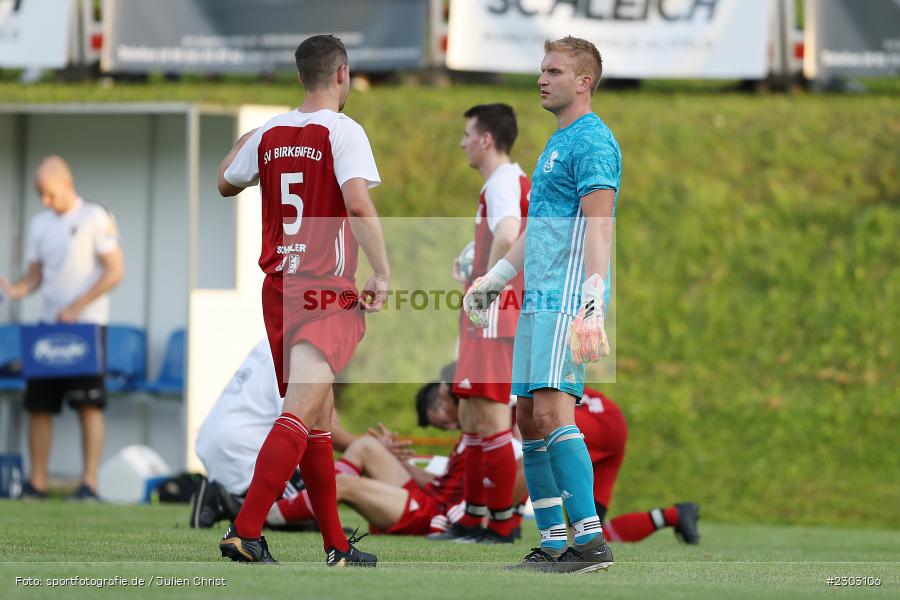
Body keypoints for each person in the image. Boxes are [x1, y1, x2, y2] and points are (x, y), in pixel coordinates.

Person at [215, 34, 389, 567]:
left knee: (318, 418)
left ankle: (335, 544)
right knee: (300, 412)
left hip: (280, 291)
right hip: (324, 287)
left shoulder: (269, 132)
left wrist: (250, 136)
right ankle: (245, 530)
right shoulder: (343, 130)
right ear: (343, 73)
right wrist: (382, 270)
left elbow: (225, 181)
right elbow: (358, 206)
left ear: (299, 77)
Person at [464, 36, 620, 573]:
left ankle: (590, 541)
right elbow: (538, 229)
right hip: (536, 298)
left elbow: (599, 224)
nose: (541, 79)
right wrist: (496, 276)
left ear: (583, 82)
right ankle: (554, 540)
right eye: (541, 69)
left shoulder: (593, 141)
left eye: (553, 71)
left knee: (554, 412)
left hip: (566, 300)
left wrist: (593, 297)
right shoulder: (556, 143)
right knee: (529, 418)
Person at [0, 155, 124, 501]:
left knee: (89, 405)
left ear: (66, 185)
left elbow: (115, 270)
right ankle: (36, 483)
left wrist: (76, 307)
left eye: (50, 193)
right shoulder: (40, 224)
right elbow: (35, 276)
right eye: (40, 194)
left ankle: (89, 484)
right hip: (47, 329)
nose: (45, 201)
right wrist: (14, 290)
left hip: (86, 327)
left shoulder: (95, 217)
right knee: (38, 405)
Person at [443, 104, 529, 543]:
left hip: (496, 311)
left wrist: (486, 286)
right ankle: (474, 518)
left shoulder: (503, 183)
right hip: (492, 311)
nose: (462, 142)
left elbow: (510, 232)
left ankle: (502, 523)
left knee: (492, 417)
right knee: (473, 414)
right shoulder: (506, 182)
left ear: (486, 140)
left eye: (467, 133)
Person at [190, 340, 355, 529]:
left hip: (217, 443)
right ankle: (226, 505)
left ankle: (222, 499)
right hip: (241, 452)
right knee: (306, 506)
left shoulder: (272, 342)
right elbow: (312, 422)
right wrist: (364, 445)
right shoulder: (307, 349)